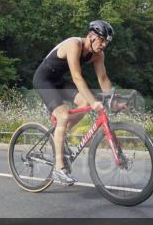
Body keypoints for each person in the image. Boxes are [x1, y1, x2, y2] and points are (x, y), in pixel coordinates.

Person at [33, 20, 120, 186]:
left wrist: (113, 101)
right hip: (43, 79)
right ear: (91, 36)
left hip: (59, 81)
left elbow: (103, 79)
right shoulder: (74, 44)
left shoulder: (98, 55)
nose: (103, 45)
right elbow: (77, 77)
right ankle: (59, 169)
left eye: (106, 42)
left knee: (84, 104)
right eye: (101, 40)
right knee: (64, 115)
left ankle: (61, 132)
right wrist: (94, 102)